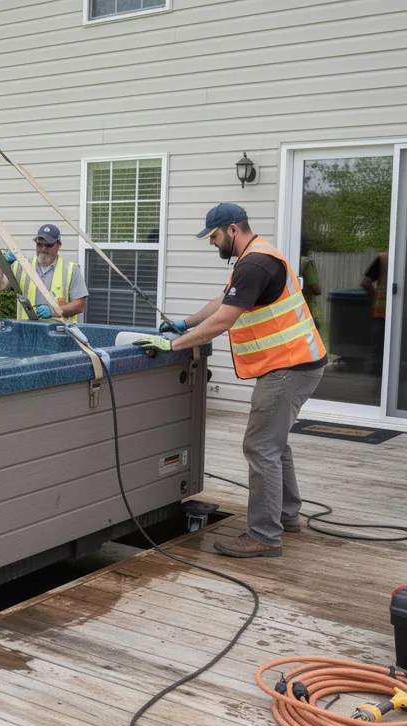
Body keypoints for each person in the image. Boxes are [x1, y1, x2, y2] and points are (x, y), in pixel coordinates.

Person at [132, 203, 327, 558]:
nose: (212, 243)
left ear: (233, 229)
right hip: (297, 364)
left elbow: (224, 321)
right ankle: (287, 516)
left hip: (288, 368)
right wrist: (185, 323)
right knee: (275, 444)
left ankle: (264, 536)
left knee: (260, 448)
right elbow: (225, 300)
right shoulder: (256, 257)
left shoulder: (255, 263)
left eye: (215, 236)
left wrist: (172, 344)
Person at [0, 223, 88, 321]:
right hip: (27, 332)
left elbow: (79, 305)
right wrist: (2, 263)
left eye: (48, 245)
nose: (43, 249)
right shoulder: (22, 266)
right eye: (39, 245)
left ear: (59, 245)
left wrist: (54, 311)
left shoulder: (71, 269)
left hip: (58, 333)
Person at [298, 236, 323, 333]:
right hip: (306, 307)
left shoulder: (290, 258)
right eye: (307, 246)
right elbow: (316, 290)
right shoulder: (306, 262)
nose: (309, 249)